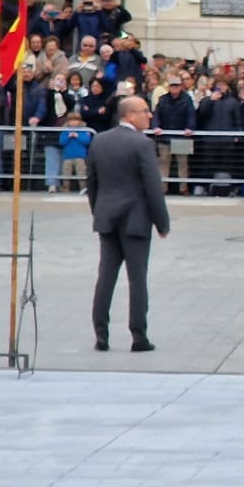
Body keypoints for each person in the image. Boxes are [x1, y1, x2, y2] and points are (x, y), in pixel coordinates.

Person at [85, 93, 169, 352]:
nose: (149, 115)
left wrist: (98, 212)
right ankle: (138, 335)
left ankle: (101, 334)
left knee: (106, 277)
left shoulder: (99, 141)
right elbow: (152, 187)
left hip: (108, 218)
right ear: (129, 115)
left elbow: (92, 183)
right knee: (137, 278)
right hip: (135, 220)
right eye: (145, 111)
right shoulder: (141, 144)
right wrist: (161, 222)